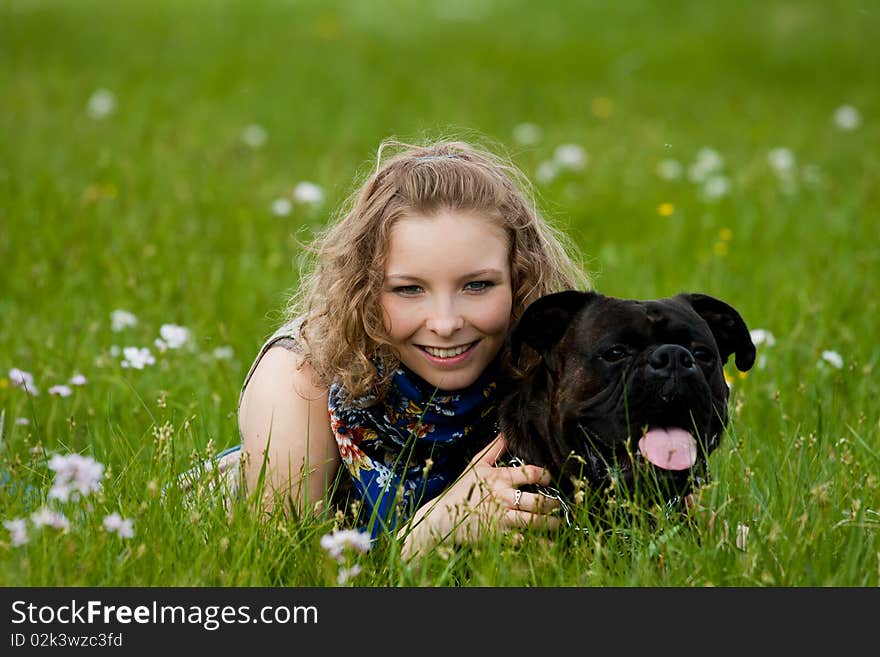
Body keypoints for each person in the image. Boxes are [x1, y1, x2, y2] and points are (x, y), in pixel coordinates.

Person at [236, 138, 589, 559]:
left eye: (477, 285)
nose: (445, 323)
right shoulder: (299, 381)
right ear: (364, 290)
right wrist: (427, 535)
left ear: (520, 278)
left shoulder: (553, 364)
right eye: (408, 289)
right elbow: (284, 578)